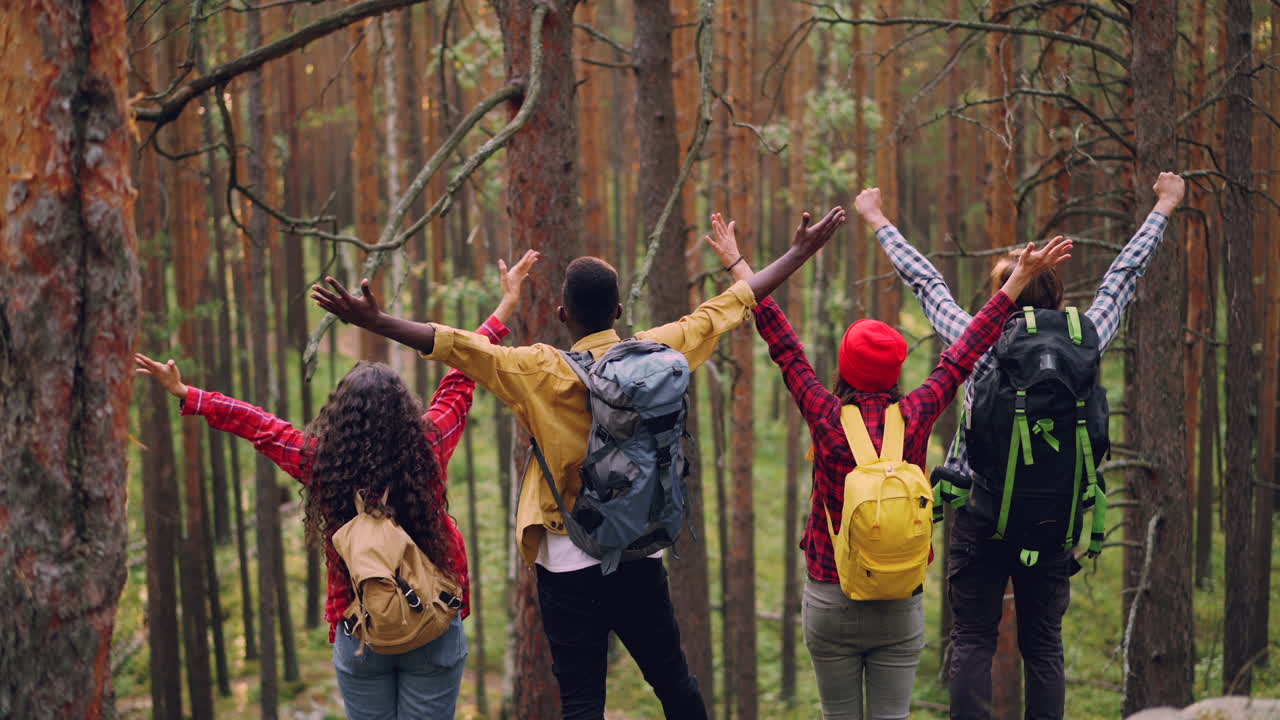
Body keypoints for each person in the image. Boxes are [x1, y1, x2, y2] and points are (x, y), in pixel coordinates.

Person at [311, 207, 849, 720]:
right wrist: (798, 253)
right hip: (639, 546)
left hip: (567, 558)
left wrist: (376, 321)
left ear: (563, 314)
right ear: (618, 312)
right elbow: (731, 304)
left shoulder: (538, 370)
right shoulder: (657, 352)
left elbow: (455, 346)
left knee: (582, 701)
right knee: (673, 681)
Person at [135, 250, 540, 720]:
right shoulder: (429, 444)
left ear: (340, 416)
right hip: (433, 621)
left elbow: (259, 425)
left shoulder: (320, 462)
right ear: (405, 412)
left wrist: (189, 394)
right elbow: (462, 374)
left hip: (359, 626)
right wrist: (506, 303)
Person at [703, 212, 1072, 720]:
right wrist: (1016, 282)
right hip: (899, 600)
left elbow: (783, 343)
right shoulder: (916, 414)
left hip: (830, 595)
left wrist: (737, 263)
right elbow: (966, 351)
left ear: (844, 366)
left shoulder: (826, 415)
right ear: (897, 370)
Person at [856, 171, 1186, 720]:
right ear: (1056, 297)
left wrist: (877, 219)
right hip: (1053, 525)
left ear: (1000, 296)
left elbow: (927, 284)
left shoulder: (979, 341)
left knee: (972, 641)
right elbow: (1122, 279)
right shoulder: (1085, 342)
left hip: (980, 515)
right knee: (1044, 648)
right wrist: (1164, 207)